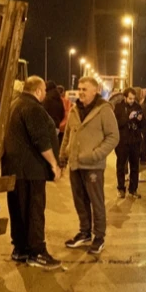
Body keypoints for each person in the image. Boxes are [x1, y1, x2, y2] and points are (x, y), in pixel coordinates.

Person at [2, 75, 63, 270]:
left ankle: (20, 248)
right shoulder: (32, 108)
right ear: (37, 90)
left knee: (19, 210)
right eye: (44, 91)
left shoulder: (15, 104)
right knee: (34, 211)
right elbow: (41, 140)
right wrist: (54, 164)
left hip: (15, 169)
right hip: (31, 170)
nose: (45, 94)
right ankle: (37, 252)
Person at [59, 76, 120, 255]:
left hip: (93, 166)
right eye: (79, 88)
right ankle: (84, 232)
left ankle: (98, 237)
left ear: (95, 91)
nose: (81, 92)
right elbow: (67, 136)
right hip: (75, 164)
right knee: (80, 201)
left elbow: (113, 137)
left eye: (85, 89)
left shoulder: (104, 110)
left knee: (96, 202)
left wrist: (96, 155)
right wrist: (63, 156)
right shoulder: (74, 110)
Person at [113, 88, 143, 199]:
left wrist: (140, 119)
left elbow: (142, 125)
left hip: (135, 141)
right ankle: (121, 188)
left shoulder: (137, 107)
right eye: (130, 98)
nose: (132, 101)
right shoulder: (119, 107)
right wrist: (128, 117)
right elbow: (117, 124)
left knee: (135, 166)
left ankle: (133, 189)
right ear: (125, 97)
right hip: (122, 141)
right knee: (121, 166)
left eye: (134, 98)